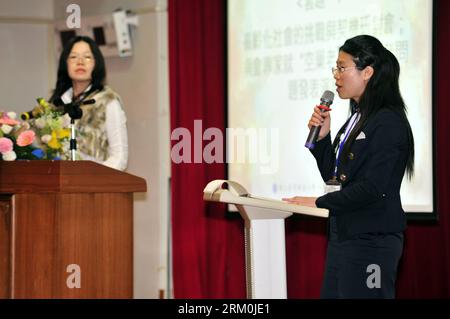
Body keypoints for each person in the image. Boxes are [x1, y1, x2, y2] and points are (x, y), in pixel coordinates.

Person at [283, 35, 414, 299]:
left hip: (372, 242)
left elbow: (373, 188)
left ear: (367, 72)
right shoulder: (356, 118)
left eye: (342, 67)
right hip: (343, 238)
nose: (336, 75)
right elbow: (336, 178)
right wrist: (322, 141)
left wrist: (319, 202)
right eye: (336, 67)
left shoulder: (388, 121)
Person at [49, 36, 128, 171]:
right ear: (65, 63)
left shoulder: (108, 101)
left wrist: (92, 179)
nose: (80, 62)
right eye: (73, 57)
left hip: (94, 185)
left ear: (96, 64)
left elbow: (119, 157)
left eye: (87, 57)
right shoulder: (57, 103)